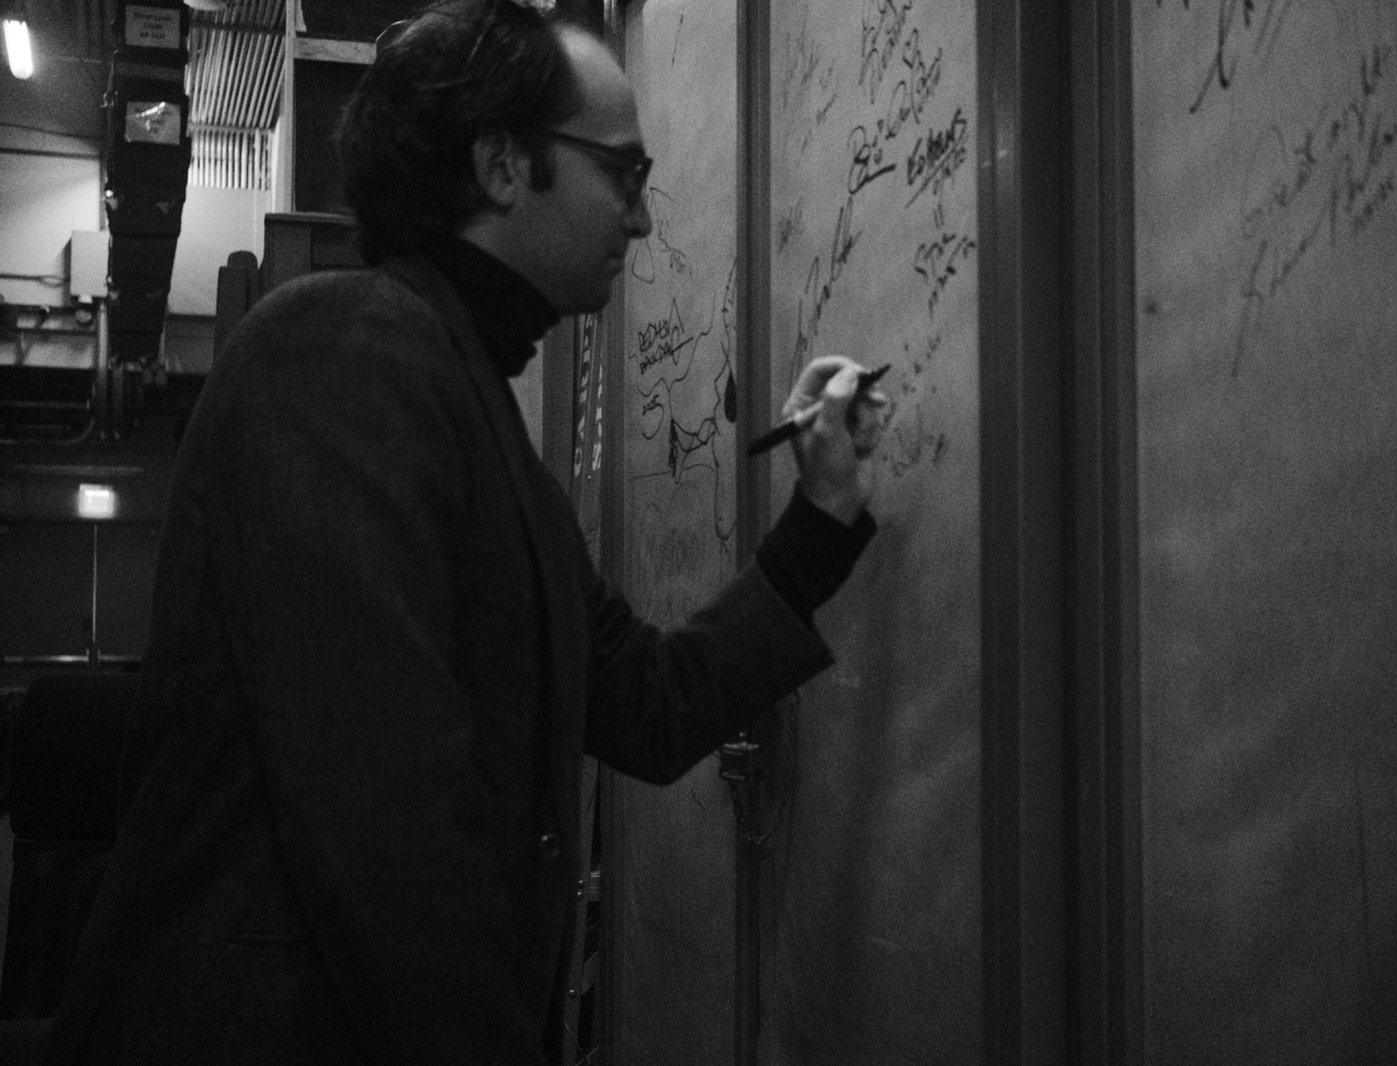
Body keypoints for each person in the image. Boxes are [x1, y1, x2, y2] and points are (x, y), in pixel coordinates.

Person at [43, 2, 886, 1062]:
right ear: (502, 165)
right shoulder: (343, 350)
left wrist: (821, 515)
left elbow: (645, 702)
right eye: (622, 173)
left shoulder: (465, 405)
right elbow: (387, 828)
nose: (640, 219)